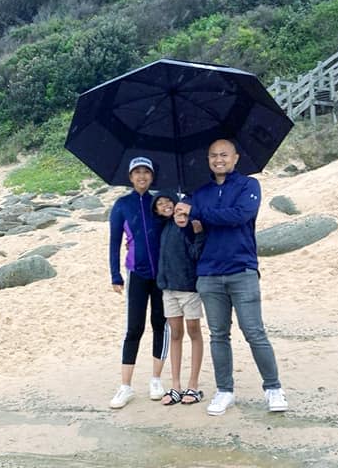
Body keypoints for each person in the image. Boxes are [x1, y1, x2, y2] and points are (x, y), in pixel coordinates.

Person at [189, 138, 287, 416]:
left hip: (242, 271)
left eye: (224, 155)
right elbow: (193, 229)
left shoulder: (249, 185)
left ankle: (273, 388)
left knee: (254, 332)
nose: (218, 160)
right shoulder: (200, 192)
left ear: (235, 158)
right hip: (208, 274)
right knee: (219, 335)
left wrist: (201, 214)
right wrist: (185, 217)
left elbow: (241, 215)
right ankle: (224, 391)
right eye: (212, 155)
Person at [107, 156, 168, 409]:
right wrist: (115, 275)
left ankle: (156, 379)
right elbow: (113, 242)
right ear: (130, 177)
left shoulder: (160, 203)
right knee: (134, 328)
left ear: (152, 177)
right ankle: (125, 386)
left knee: (159, 324)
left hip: (163, 275)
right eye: (137, 172)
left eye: (146, 172)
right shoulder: (122, 205)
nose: (142, 176)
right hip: (136, 273)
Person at [155, 196, 205, 405]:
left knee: (194, 331)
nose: (167, 207)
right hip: (168, 290)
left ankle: (193, 385)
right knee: (175, 334)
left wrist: (197, 232)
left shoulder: (189, 226)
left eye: (170, 203)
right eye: (160, 204)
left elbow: (196, 253)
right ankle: (175, 385)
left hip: (189, 289)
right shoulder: (163, 227)